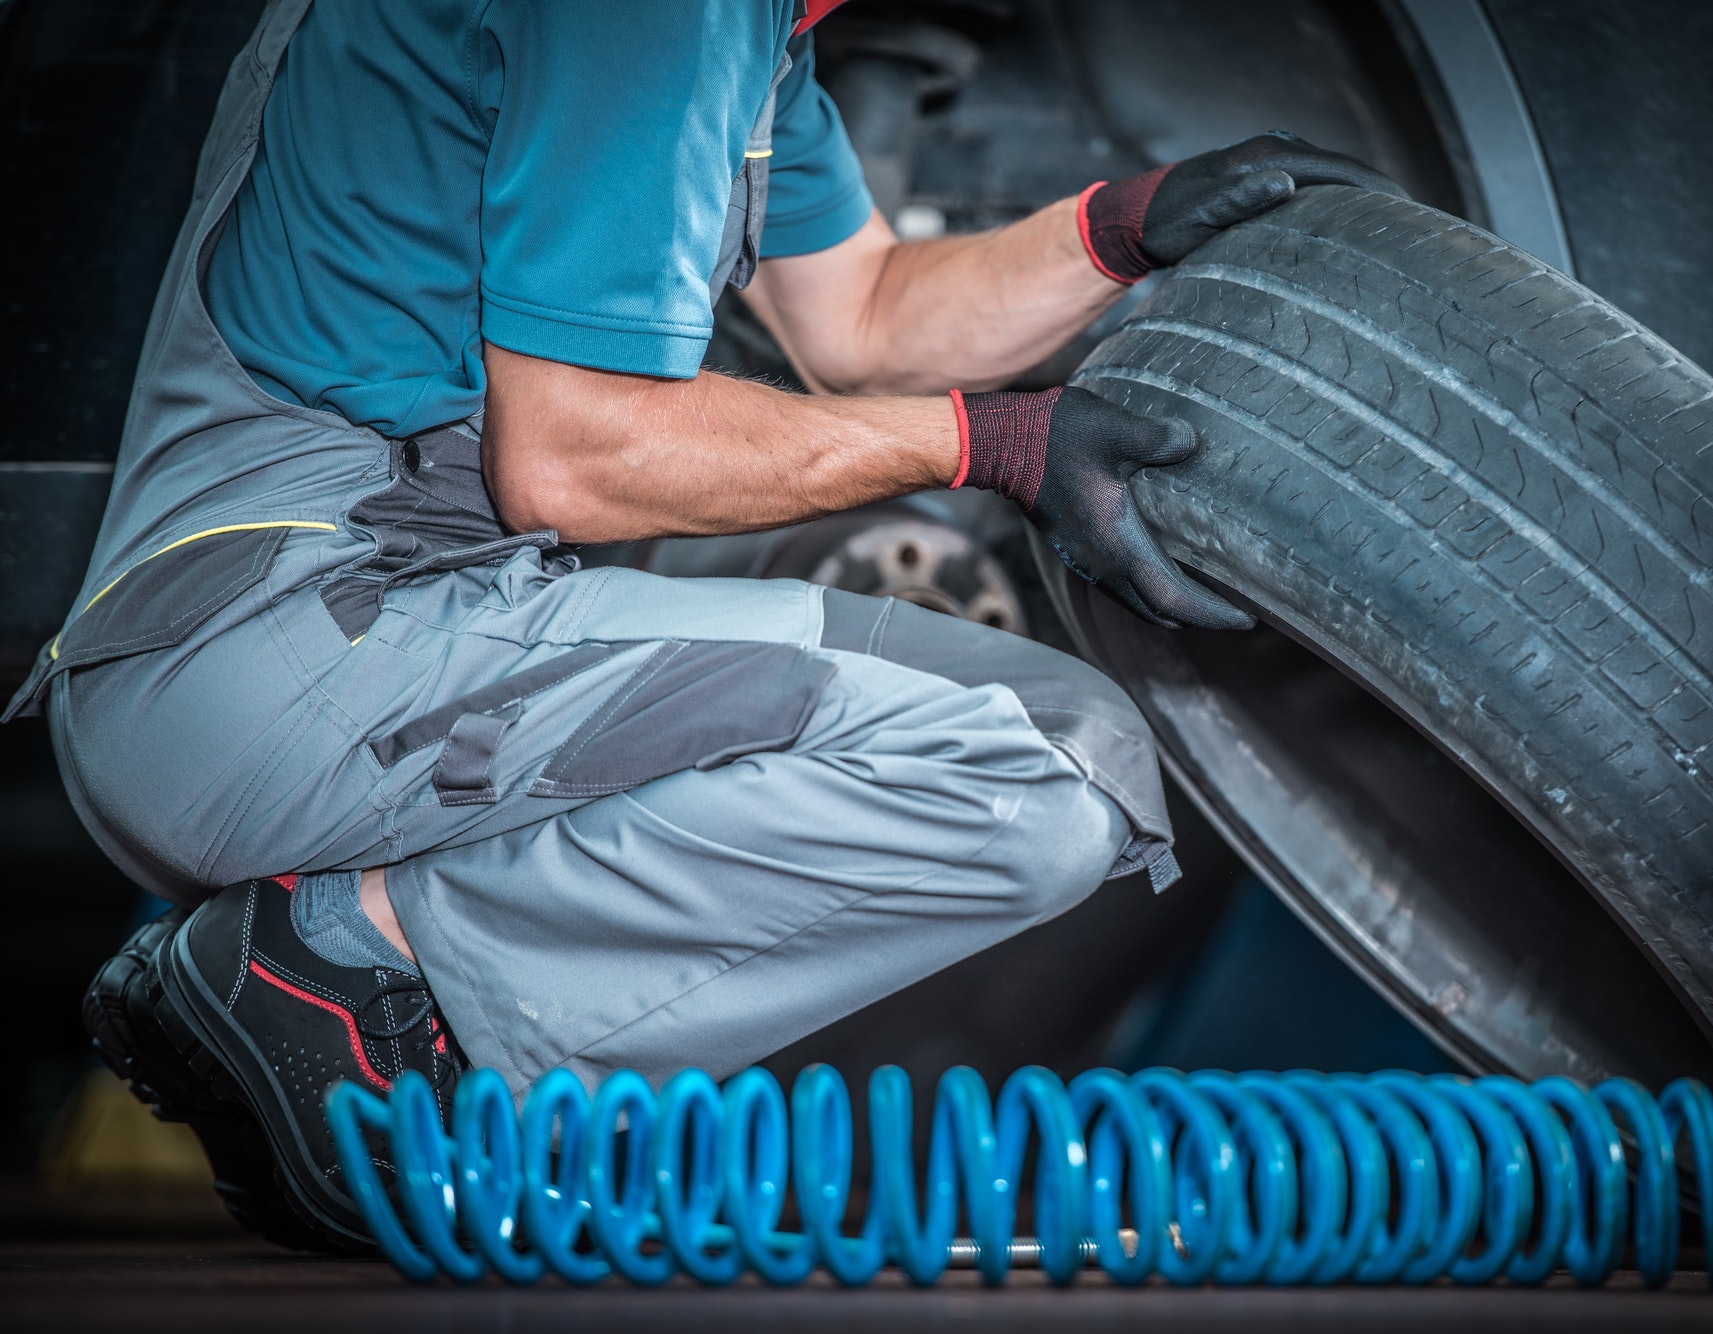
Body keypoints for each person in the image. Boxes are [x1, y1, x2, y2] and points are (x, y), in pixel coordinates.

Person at [11, 0, 1392, 1250]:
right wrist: (997, 444)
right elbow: (575, 459)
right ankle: (341, 964)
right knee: (1033, 774)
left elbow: (860, 317)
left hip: (339, 643)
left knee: (1056, 739)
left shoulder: (755, 36)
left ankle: (371, 978)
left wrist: (1119, 226)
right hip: (296, 643)